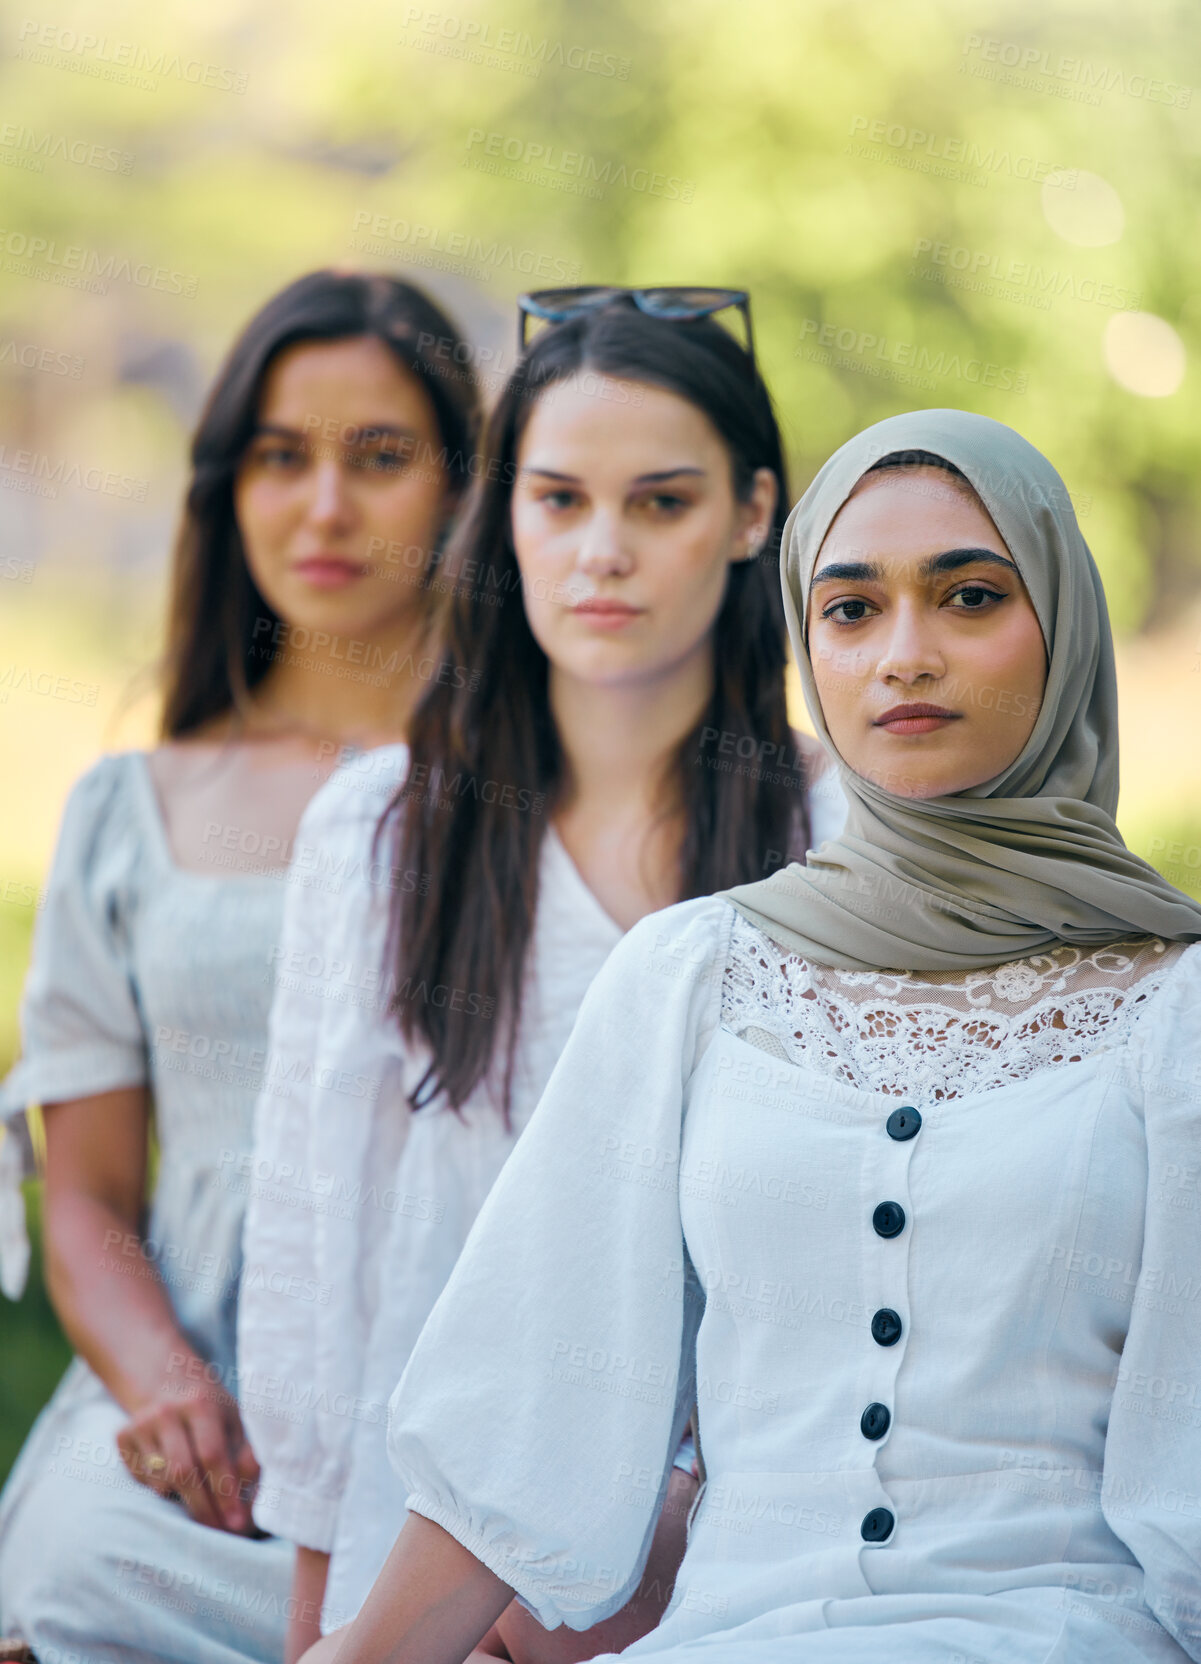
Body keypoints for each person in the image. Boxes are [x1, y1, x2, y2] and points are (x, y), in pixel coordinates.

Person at [306, 408, 1201, 1664]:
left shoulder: (1175, 1009)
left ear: (1063, 626)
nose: (903, 654)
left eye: (969, 596)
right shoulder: (692, 974)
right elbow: (526, 1397)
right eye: (849, 608)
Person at [237, 288, 844, 1663]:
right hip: (430, 1535)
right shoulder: (384, 830)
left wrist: (675, 1522)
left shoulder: (837, 830)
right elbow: (317, 1233)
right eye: (558, 499)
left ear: (752, 515)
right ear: (502, 514)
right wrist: (324, 1610)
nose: (602, 554)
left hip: (754, 1533)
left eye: (662, 502)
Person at [0, 269, 480, 1662]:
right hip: (202, 1437)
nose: (323, 507)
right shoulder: (127, 811)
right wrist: (165, 1392)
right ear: (228, 489)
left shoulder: (540, 793)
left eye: (379, 459)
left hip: (464, 1410)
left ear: (462, 489)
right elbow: (84, 1199)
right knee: (94, 1569)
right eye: (281, 458)